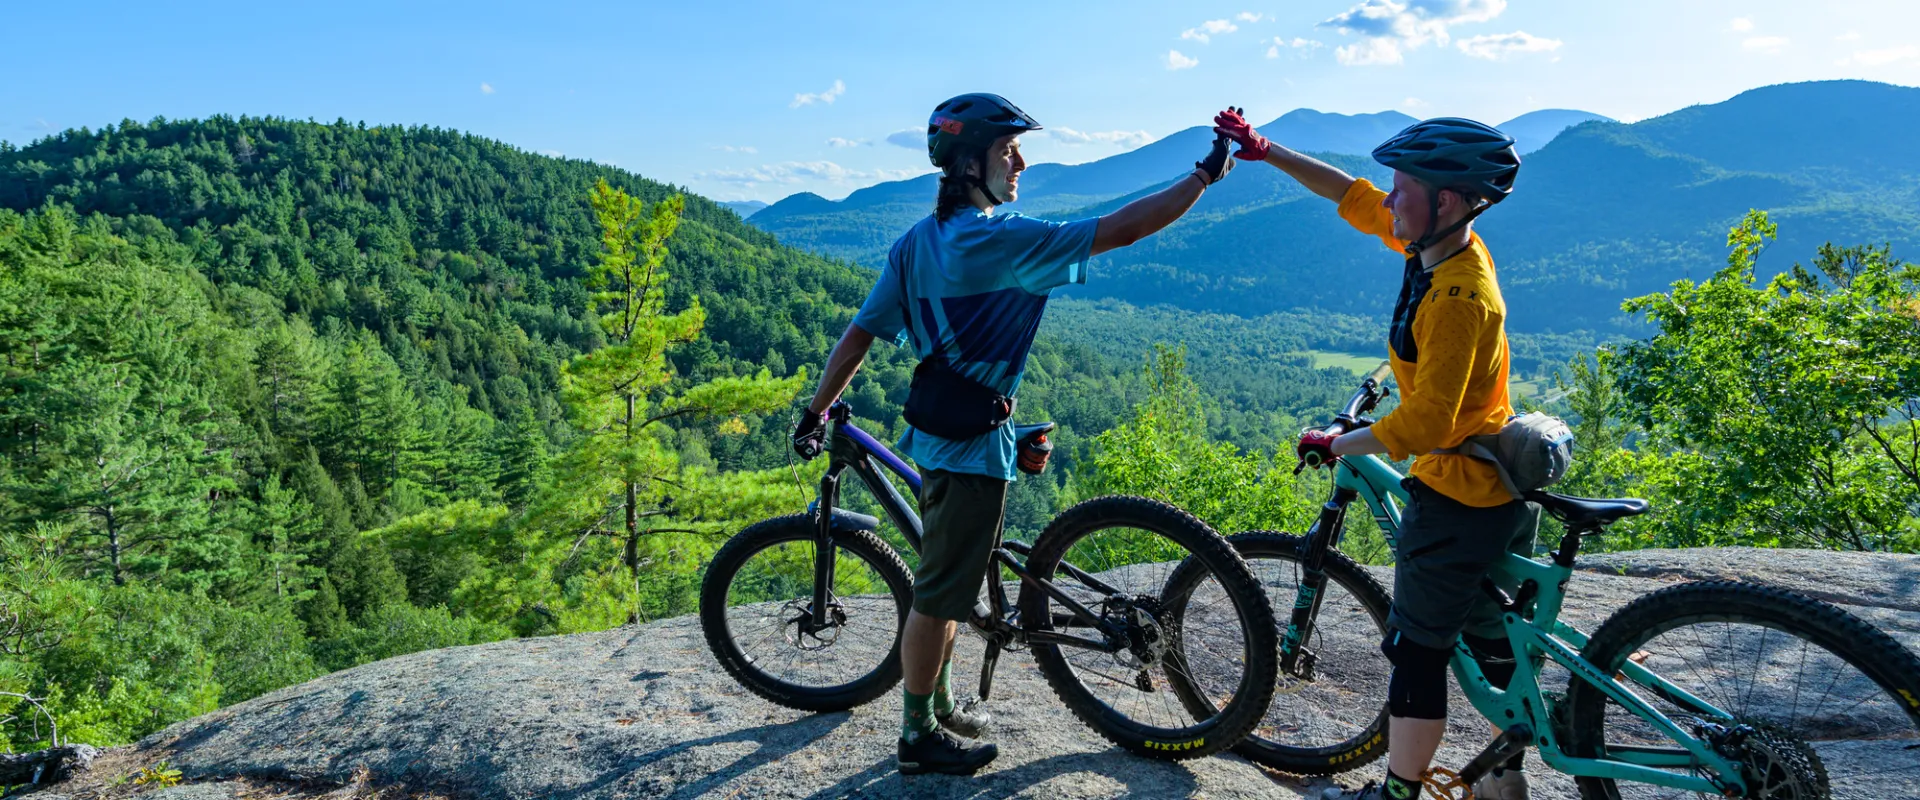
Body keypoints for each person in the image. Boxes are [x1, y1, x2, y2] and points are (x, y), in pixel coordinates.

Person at [790, 93, 1235, 776]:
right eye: (1007, 151)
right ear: (971, 164)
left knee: (942, 581)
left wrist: (819, 409)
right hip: (971, 454)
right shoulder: (998, 241)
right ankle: (917, 738)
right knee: (940, 596)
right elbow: (1123, 228)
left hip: (947, 437)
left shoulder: (917, 242)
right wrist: (1201, 178)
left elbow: (859, 334)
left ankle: (934, 709)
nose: (1020, 161)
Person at [1212, 108, 1536, 800]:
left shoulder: (1457, 295)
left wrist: (1341, 442)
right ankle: (1508, 783)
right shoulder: (1443, 251)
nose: (1390, 200)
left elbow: (1427, 422)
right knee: (1492, 646)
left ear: (1445, 201)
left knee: (1418, 654)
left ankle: (1398, 793)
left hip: (1457, 494)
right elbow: (1352, 196)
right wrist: (1267, 151)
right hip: (1494, 486)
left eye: (1404, 190)